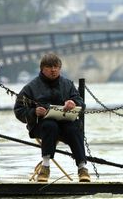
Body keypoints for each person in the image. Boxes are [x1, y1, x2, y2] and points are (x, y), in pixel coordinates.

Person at [14, 53, 90, 182]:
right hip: (41, 126)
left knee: (74, 128)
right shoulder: (30, 87)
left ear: (60, 68)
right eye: (49, 67)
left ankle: (82, 168)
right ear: (42, 69)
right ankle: (45, 166)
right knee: (50, 125)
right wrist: (33, 112)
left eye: (56, 67)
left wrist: (74, 103)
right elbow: (19, 110)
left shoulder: (67, 84)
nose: (53, 70)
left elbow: (81, 103)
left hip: (65, 124)